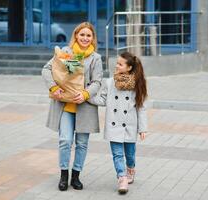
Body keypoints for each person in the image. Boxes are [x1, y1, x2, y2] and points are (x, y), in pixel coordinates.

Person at [41, 22, 103, 191]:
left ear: (92, 38)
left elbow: (98, 82)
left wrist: (85, 94)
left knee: (82, 144)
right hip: (65, 106)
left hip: (85, 107)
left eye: (88, 35)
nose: (85, 38)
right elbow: (46, 70)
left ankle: (76, 176)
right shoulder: (67, 53)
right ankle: (64, 176)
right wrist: (54, 87)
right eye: (82, 34)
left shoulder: (95, 58)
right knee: (65, 141)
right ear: (76, 35)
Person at [89, 52, 148, 194]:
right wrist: (87, 97)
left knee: (130, 154)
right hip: (113, 125)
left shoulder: (137, 84)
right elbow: (102, 100)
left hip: (129, 126)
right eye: (117, 63)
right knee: (117, 154)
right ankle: (122, 178)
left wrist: (143, 129)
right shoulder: (109, 82)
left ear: (129, 68)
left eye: (120, 64)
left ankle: (130, 169)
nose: (116, 65)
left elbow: (141, 108)